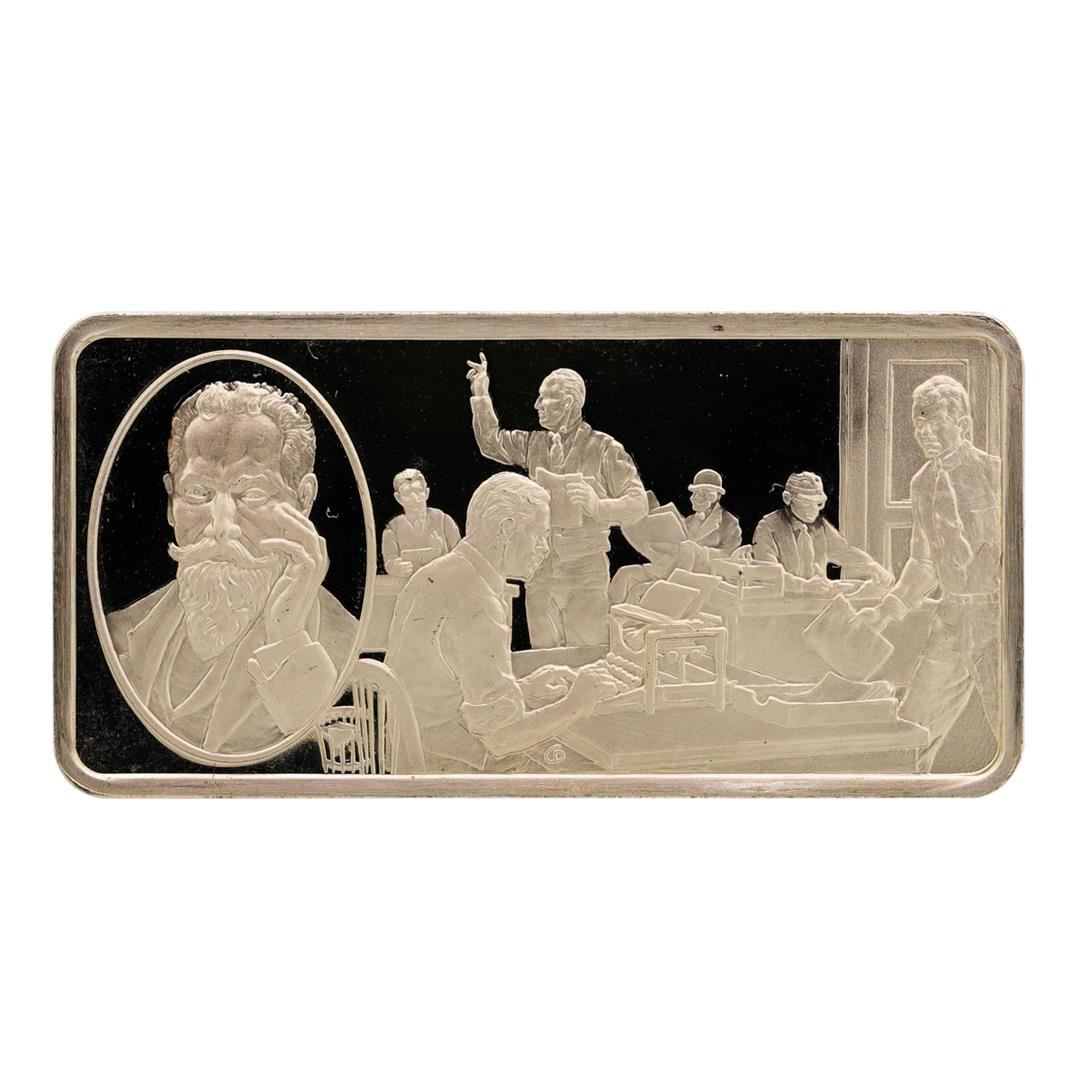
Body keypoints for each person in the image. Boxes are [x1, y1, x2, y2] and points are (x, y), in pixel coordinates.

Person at [107, 381, 356, 756]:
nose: (221, 526)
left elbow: (345, 755)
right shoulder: (121, 632)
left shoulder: (349, 645)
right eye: (198, 493)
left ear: (303, 500)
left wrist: (286, 637)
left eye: (252, 494)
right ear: (171, 501)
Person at [385, 472, 635, 772]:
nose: (545, 548)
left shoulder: (441, 572)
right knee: (590, 764)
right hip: (448, 765)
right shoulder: (477, 600)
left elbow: (449, 688)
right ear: (506, 529)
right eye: (539, 534)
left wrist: (525, 687)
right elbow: (502, 738)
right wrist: (577, 702)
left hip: (417, 745)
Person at [855, 375, 1001, 772]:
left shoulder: (996, 474)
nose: (924, 432)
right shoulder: (922, 484)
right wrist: (885, 611)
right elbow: (924, 563)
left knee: (1014, 722)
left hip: (1001, 619)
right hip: (952, 619)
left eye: (935, 422)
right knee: (913, 725)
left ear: (963, 424)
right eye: (918, 423)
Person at [466, 352, 648, 647]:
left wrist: (597, 506)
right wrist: (481, 395)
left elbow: (638, 504)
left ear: (569, 403)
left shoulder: (604, 448)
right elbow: (491, 443)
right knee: (544, 656)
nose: (537, 404)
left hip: (585, 571)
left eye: (546, 398)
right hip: (541, 570)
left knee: (588, 654)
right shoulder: (533, 443)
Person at [609, 469, 743, 605]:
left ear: (717, 495)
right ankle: (607, 611)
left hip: (695, 574)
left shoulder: (729, 522)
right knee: (625, 574)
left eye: (704, 493)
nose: (696, 497)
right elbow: (676, 541)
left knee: (638, 591)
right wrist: (654, 546)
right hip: (670, 566)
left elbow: (730, 554)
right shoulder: (690, 520)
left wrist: (702, 552)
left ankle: (627, 611)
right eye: (695, 493)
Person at [752, 471, 892, 593]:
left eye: (818, 503)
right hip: (782, 601)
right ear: (788, 498)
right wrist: (804, 586)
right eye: (806, 502)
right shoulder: (768, 527)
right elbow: (770, 573)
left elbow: (843, 552)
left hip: (816, 597)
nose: (814, 509)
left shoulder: (821, 525)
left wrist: (870, 565)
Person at [381, 467, 461, 577]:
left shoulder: (444, 522)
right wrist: (397, 567)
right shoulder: (392, 530)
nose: (414, 497)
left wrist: (441, 552)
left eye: (418, 491)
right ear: (399, 498)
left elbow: (460, 555)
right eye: (407, 493)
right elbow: (390, 561)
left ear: (426, 493)